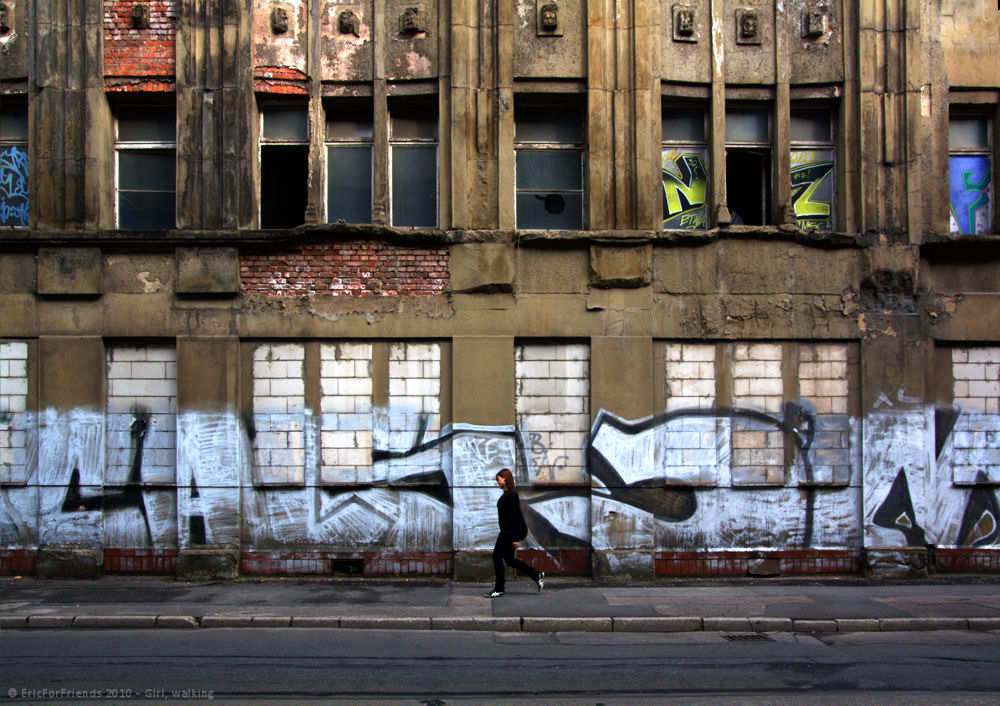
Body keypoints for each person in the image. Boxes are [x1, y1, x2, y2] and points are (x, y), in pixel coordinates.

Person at [487, 468, 544, 598]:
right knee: (510, 560)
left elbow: (515, 518)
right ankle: (536, 575)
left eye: (499, 479)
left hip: (507, 534)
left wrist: (515, 539)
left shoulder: (511, 495)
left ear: (505, 479)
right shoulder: (508, 494)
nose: (498, 482)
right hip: (506, 532)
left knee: (497, 557)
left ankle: (499, 588)